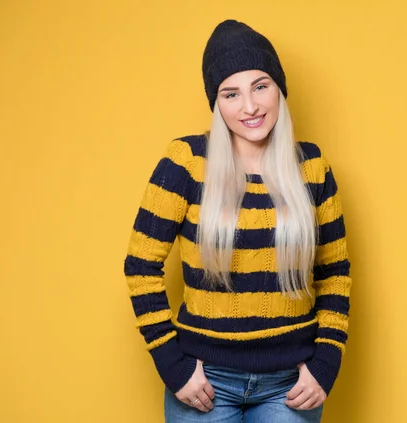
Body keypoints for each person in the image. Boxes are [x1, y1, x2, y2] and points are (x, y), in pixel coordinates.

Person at [123, 19, 352, 423]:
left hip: (291, 386)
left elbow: (335, 274)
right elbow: (140, 266)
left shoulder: (312, 168)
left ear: (280, 89)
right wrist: (173, 365)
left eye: (260, 86)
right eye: (231, 93)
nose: (249, 107)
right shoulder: (186, 163)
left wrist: (326, 364)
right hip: (205, 382)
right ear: (216, 102)